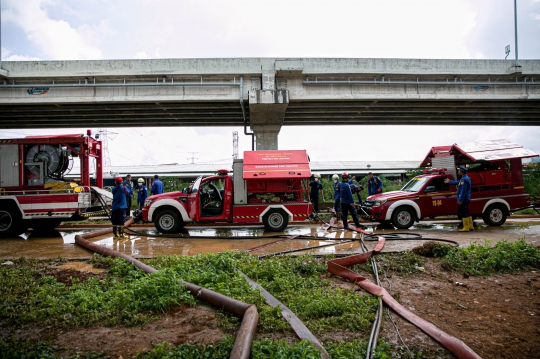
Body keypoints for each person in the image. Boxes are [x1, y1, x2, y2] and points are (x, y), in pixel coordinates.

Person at [445, 166, 473, 232]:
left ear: (461, 171)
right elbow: (458, 182)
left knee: (463, 213)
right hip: (466, 198)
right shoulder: (465, 178)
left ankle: (466, 227)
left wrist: (460, 200)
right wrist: (450, 182)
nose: (458, 172)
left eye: (459, 171)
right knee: (467, 212)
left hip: (464, 199)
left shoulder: (464, 180)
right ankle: (470, 226)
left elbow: (463, 191)